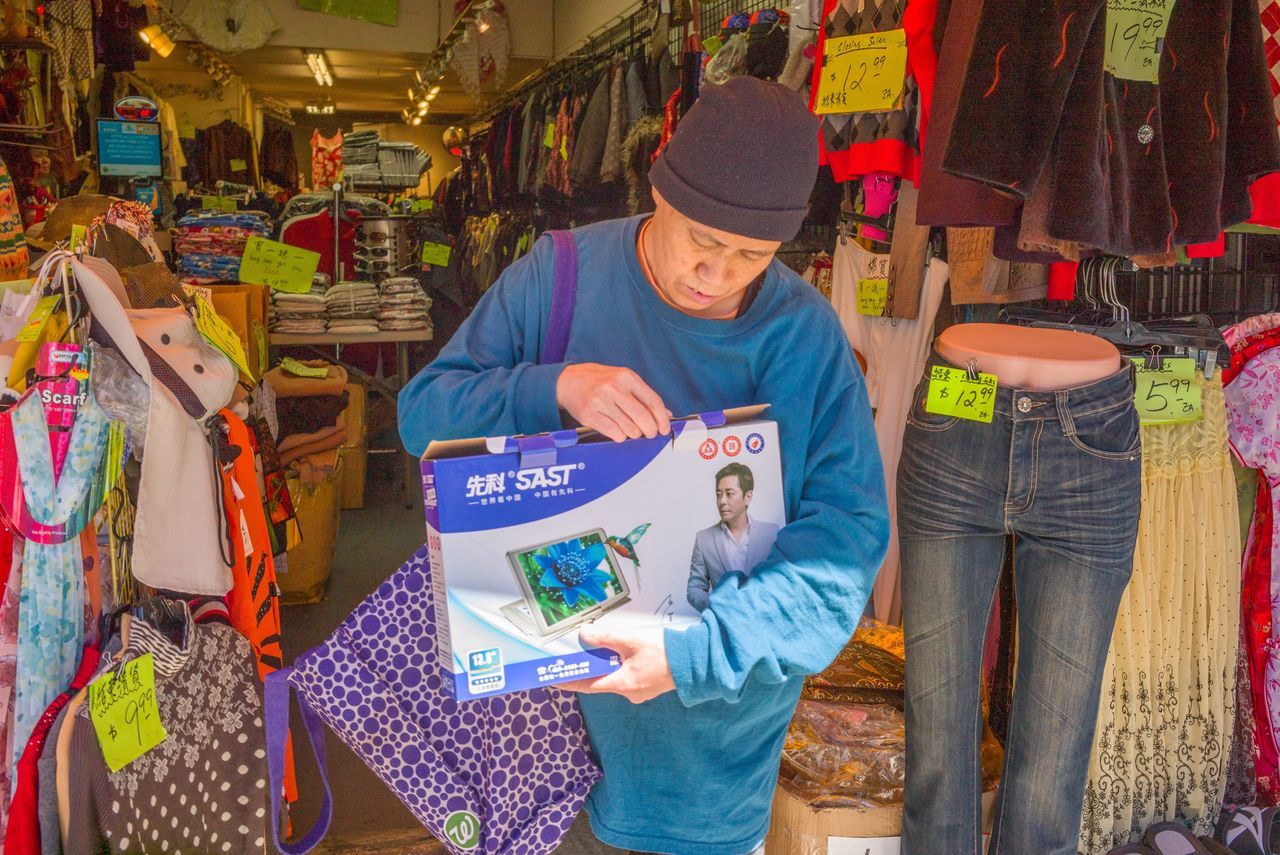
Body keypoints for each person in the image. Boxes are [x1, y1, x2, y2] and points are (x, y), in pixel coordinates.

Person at [398, 76, 888, 855]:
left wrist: (697, 651)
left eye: (752, 255)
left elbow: (844, 547)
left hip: (704, 761)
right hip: (537, 730)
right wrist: (555, 387)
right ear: (659, 186)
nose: (718, 274)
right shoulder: (559, 277)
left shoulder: (804, 338)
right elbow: (422, 416)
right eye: (702, 238)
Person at [687, 462, 780, 612]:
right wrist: (717, 606)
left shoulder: (771, 533)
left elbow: (780, 581)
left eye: (729, 494)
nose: (722, 501)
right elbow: (695, 589)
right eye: (719, 495)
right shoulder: (704, 539)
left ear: (748, 497)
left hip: (764, 621)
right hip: (723, 624)